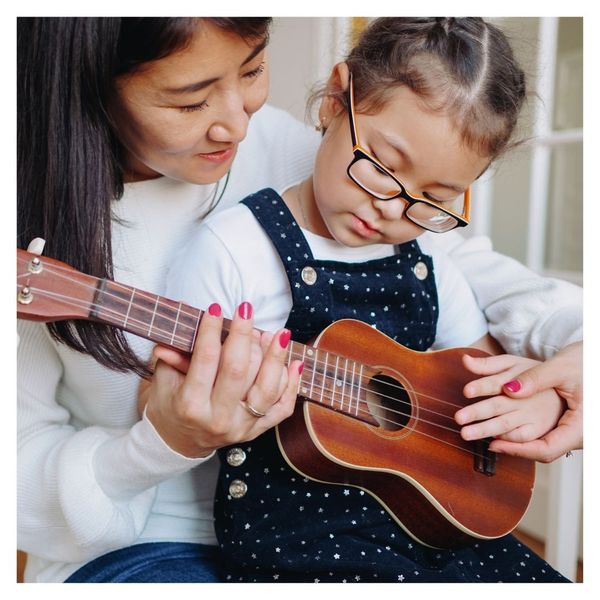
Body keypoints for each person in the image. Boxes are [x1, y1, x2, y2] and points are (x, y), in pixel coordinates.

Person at [16, 17, 582, 583]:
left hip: (397, 519)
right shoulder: (224, 240)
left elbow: (474, 288)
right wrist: (164, 439)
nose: (238, 126)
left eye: (254, 68)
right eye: (190, 102)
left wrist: (559, 369)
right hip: (161, 542)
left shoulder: (346, 166)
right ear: (91, 83)